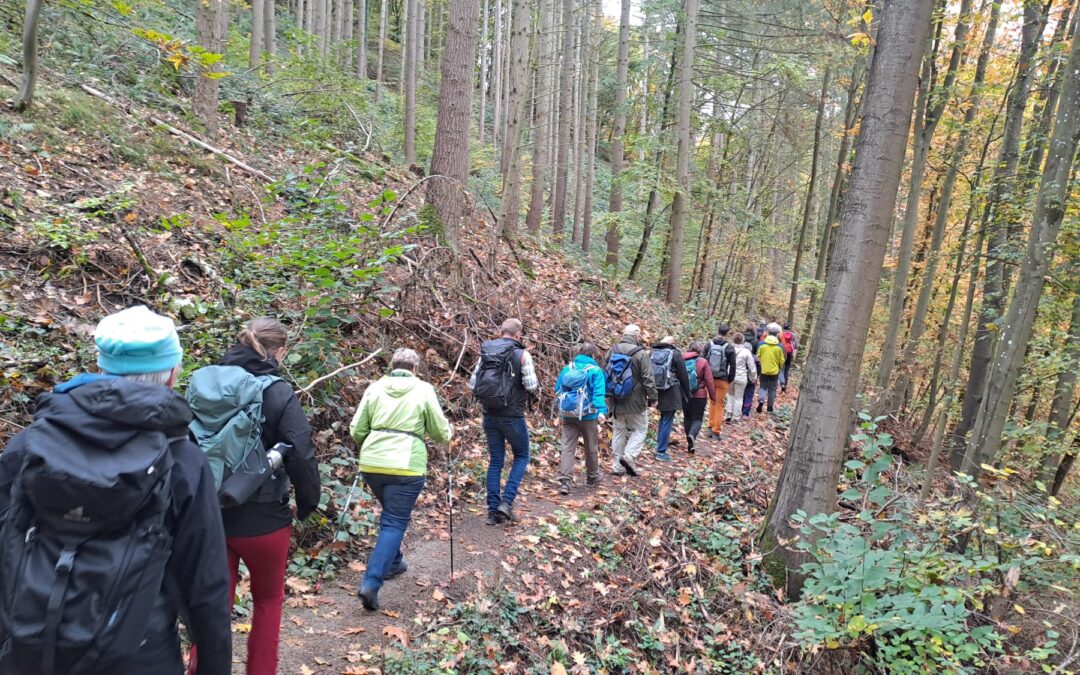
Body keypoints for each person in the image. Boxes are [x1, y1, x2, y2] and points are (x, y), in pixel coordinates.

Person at [0, 305, 231, 675]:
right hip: (138, 653)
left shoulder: (30, 444)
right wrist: (213, 665)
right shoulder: (182, 460)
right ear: (173, 374)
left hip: (27, 644)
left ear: (101, 367)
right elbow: (205, 582)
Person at [187, 318, 321, 675]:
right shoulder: (277, 391)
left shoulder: (203, 383)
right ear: (278, 351)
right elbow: (301, 451)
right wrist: (308, 503)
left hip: (209, 514)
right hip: (263, 517)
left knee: (214, 603)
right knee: (268, 599)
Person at [349, 348, 452, 611]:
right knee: (394, 522)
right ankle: (371, 583)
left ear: (392, 365)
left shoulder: (375, 387)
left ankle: (393, 563)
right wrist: (447, 432)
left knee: (390, 514)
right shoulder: (423, 390)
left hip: (373, 463)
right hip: (406, 465)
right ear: (415, 368)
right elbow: (440, 432)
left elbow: (357, 428)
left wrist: (374, 444)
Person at [469, 319, 539, 525]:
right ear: (518, 334)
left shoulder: (487, 351)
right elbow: (532, 386)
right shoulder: (522, 354)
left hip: (489, 414)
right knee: (522, 455)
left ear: (501, 332)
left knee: (496, 461)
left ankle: (492, 511)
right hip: (512, 415)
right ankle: (506, 503)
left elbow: (473, 383)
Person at [554, 343, 608, 495]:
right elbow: (598, 393)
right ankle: (592, 477)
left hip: (568, 414)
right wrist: (601, 411)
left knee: (567, 447)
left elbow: (558, 389)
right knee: (591, 447)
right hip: (588, 415)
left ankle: (565, 481)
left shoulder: (567, 368)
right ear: (592, 355)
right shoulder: (595, 371)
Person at [605, 324, 657, 477]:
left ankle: (617, 466)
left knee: (619, 430)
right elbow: (648, 377)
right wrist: (653, 397)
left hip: (615, 399)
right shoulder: (641, 353)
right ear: (637, 336)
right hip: (636, 401)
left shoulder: (612, 350)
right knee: (640, 429)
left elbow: (606, 373)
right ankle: (629, 456)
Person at [651, 335, 691, 461]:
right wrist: (687, 393)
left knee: (663, 418)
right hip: (671, 390)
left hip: (657, 389)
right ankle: (661, 451)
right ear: (673, 343)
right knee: (667, 419)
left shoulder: (652, 353)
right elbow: (683, 375)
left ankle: (659, 447)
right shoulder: (675, 354)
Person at [682, 341, 716, 454]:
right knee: (697, 418)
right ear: (700, 350)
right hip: (699, 395)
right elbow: (709, 381)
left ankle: (689, 442)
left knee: (687, 417)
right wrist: (713, 397)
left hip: (685, 394)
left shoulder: (682, 359)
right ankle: (692, 435)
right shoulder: (703, 362)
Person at [705, 325, 736, 438]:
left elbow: (703, 361)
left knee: (712, 402)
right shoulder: (729, 347)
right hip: (723, 379)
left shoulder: (709, 344)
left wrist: (704, 377)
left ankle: (710, 425)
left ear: (717, 331)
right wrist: (730, 379)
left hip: (710, 379)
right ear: (727, 333)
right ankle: (716, 430)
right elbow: (733, 366)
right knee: (720, 404)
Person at [727, 333, 757, 425]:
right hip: (741, 377)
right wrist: (753, 378)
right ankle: (736, 418)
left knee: (730, 395)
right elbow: (751, 367)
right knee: (739, 398)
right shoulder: (746, 352)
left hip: (730, 376)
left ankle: (728, 414)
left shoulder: (729, 349)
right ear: (743, 341)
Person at [757, 323, 786, 414]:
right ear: (777, 334)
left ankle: (761, 400)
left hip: (763, 370)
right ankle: (770, 407)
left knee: (762, 387)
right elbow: (782, 360)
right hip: (774, 372)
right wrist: (779, 368)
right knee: (772, 389)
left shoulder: (762, 344)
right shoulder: (779, 346)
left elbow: (758, 357)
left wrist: (760, 367)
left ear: (768, 333)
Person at [742, 324, 761, 418]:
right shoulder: (755, 340)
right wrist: (756, 376)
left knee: (740, 391)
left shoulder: (741, 337)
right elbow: (757, 352)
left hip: (741, 367)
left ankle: (738, 409)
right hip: (752, 365)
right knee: (749, 393)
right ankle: (745, 412)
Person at [780, 323, 800, 392]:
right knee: (786, 370)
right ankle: (784, 387)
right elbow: (797, 346)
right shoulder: (793, 335)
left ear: (783, 328)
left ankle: (782, 384)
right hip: (790, 353)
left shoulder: (780, 334)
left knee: (781, 369)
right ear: (789, 328)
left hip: (782, 352)